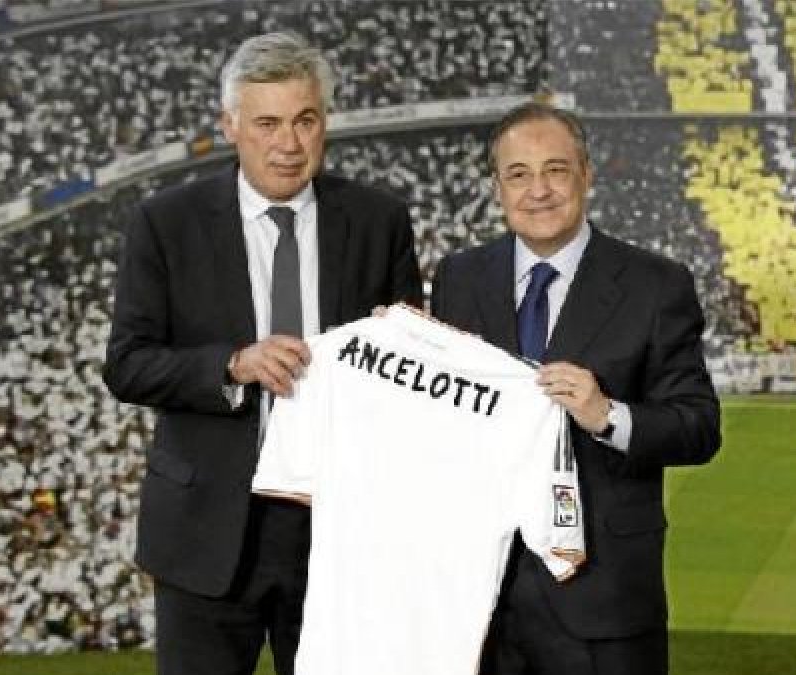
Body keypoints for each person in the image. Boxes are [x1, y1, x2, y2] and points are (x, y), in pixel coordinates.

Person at [102, 32, 422, 675]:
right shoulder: (166, 222)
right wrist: (231, 366)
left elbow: (405, 373)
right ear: (230, 125)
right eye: (268, 122)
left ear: (324, 122)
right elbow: (128, 363)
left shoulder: (378, 219)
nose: (289, 143)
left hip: (339, 531)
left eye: (305, 120)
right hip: (207, 534)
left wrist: (408, 343)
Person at [431, 102, 721, 675]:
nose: (538, 189)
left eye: (555, 170)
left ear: (586, 175)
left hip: (604, 602)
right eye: (519, 174)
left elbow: (699, 427)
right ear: (497, 188)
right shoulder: (458, 279)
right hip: (482, 602)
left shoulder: (655, 285)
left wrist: (606, 414)